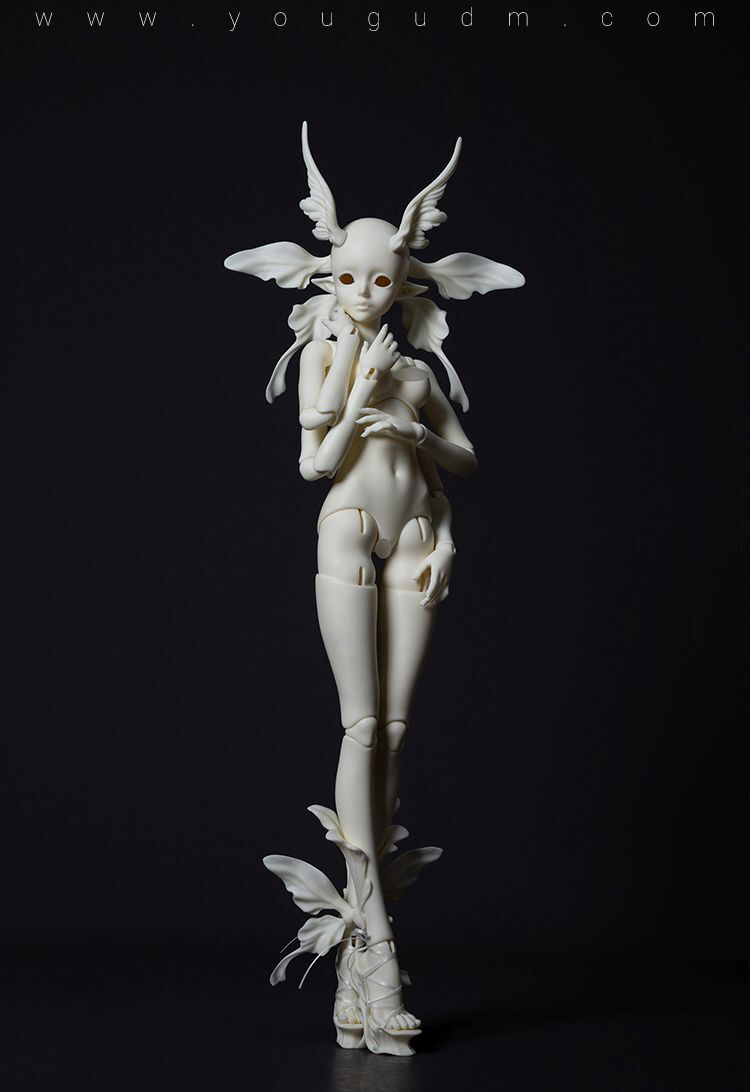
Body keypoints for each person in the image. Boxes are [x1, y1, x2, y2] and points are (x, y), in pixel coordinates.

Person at [224, 121, 524, 1055]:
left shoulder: (419, 370)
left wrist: (416, 435)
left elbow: (462, 460)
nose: (363, 292)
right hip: (349, 530)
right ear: (328, 277)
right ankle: (375, 946)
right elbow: (314, 461)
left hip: (417, 540)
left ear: (405, 281)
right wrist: (362, 394)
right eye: (349, 277)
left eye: (381, 279)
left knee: (393, 731)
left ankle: (359, 964)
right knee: (359, 726)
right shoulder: (327, 354)